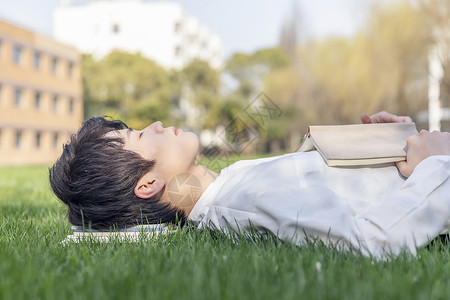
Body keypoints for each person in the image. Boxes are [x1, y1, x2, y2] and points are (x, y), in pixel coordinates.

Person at [49, 111, 450, 257]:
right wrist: (434, 165)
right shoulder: (245, 202)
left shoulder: (231, 184)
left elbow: (317, 184)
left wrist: (380, 147)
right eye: (139, 136)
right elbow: (371, 243)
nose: (154, 124)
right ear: (148, 184)